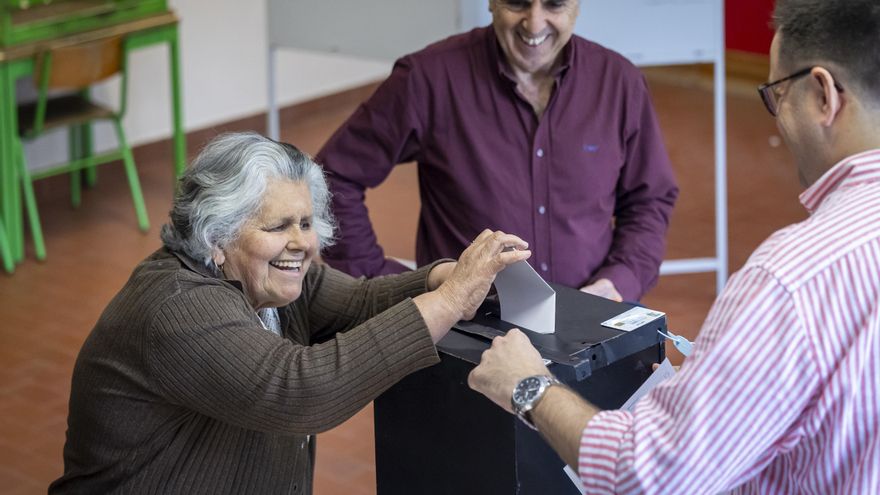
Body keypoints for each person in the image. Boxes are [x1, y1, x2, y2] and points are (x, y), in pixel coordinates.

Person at [468, 0, 880, 492]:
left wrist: (529, 386)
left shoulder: (791, 278)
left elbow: (653, 474)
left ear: (823, 95)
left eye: (776, 96)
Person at [49, 132, 530, 494]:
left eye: (305, 222)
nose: (300, 243)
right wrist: (447, 303)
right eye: (278, 226)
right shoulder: (178, 307)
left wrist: (440, 278)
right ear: (216, 237)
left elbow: (359, 303)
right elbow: (299, 390)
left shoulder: (278, 281)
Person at [317, 0, 678, 302]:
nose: (534, 22)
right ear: (490, 2)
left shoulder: (619, 82)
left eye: (554, 4)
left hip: (588, 328)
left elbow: (650, 199)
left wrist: (619, 281)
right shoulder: (427, 78)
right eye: (518, 2)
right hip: (465, 330)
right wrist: (385, 281)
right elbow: (332, 177)